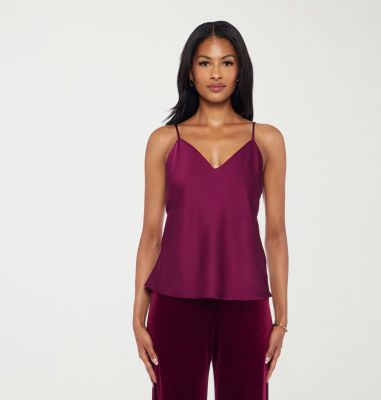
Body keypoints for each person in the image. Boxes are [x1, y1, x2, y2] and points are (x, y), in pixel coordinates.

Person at [132, 20, 288, 399]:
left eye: (226, 62)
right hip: (174, 302)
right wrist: (137, 316)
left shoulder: (266, 140)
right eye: (205, 63)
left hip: (247, 302)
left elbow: (276, 235)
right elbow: (151, 236)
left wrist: (281, 319)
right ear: (190, 71)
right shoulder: (164, 141)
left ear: (240, 70)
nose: (216, 73)